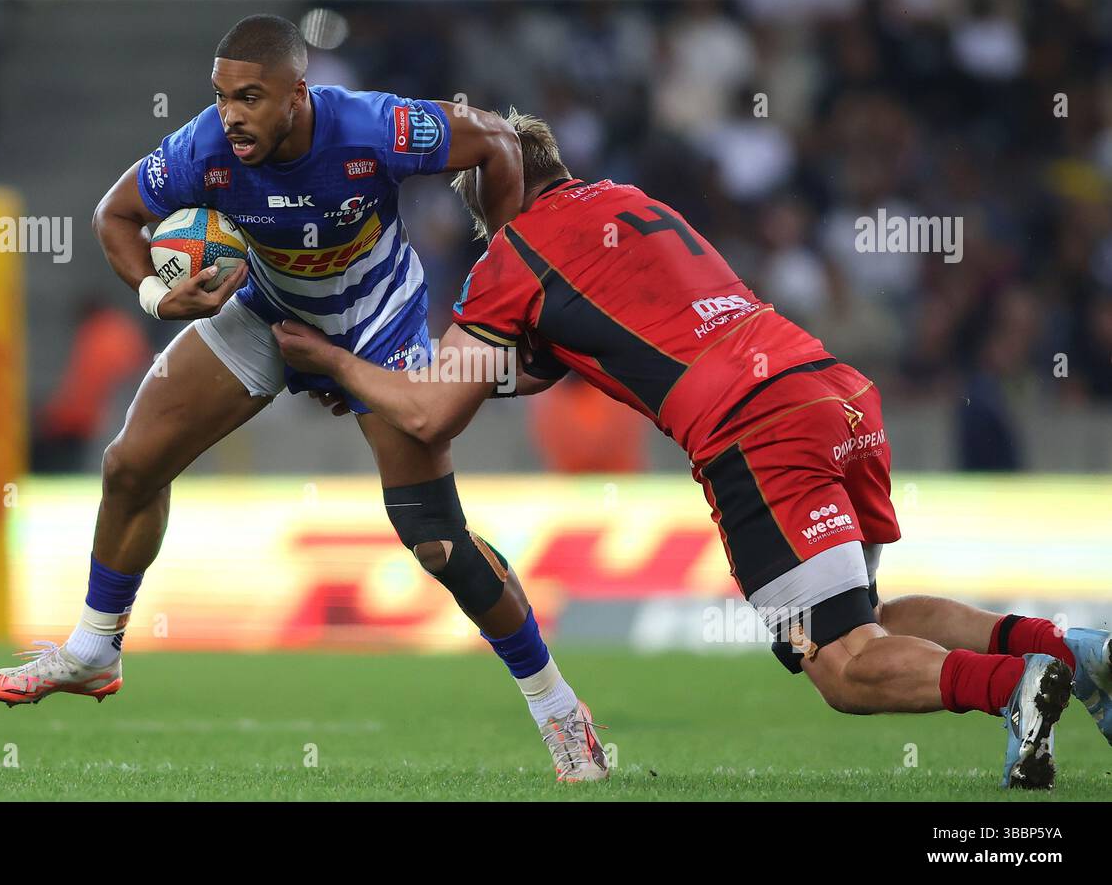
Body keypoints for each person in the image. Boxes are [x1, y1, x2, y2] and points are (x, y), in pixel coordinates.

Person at [274, 110, 1112, 790]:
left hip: (754, 427)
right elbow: (539, 364)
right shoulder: (629, 203)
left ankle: (1015, 688)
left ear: (494, 189)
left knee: (844, 668)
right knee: (868, 623)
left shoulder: (514, 255)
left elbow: (428, 417)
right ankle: (1068, 649)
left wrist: (335, 363)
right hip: (832, 389)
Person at [0, 17, 608, 783]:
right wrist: (152, 294)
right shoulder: (203, 149)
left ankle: (559, 709)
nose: (231, 114)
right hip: (265, 312)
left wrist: (507, 295)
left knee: (436, 541)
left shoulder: (371, 126)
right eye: (220, 96)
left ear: (297, 96)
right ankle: (93, 650)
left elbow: (495, 142)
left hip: (378, 323)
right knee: (128, 466)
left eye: (249, 97)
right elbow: (115, 215)